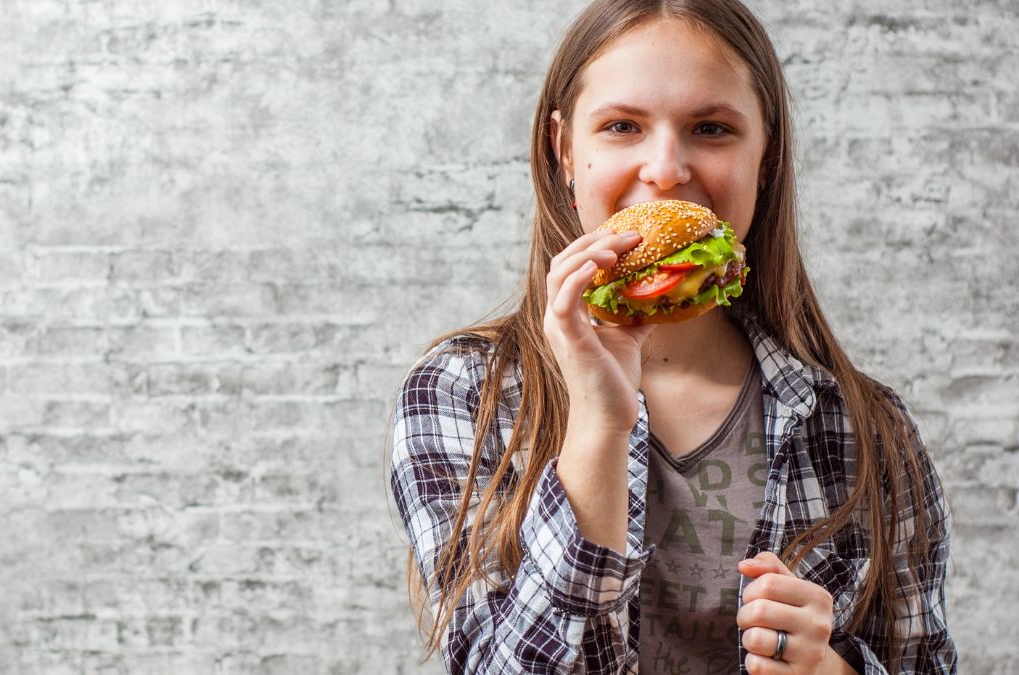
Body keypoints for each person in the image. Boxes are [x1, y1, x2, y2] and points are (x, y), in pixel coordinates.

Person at [388, 1, 957, 673]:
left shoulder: (869, 433)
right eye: (622, 125)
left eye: (711, 128)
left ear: (765, 159)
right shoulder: (462, 398)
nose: (664, 170)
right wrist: (599, 419)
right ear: (565, 150)